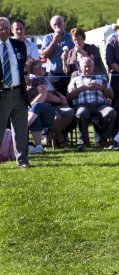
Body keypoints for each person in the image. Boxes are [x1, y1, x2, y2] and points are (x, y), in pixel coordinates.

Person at [67, 57, 117, 148]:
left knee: (111, 112)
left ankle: (103, 139)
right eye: (85, 66)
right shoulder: (75, 79)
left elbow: (111, 95)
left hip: (101, 105)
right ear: (80, 67)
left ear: (93, 67)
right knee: (80, 113)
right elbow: (69, 96)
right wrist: (82, 88)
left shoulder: (101, 78)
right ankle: (85, 140)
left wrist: (101, 88)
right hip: (83, 105)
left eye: (90, 66)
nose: (87, 69)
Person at [0, 17, 29, 167]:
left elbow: (22, 66)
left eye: (5, 28)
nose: (3, 31)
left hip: (19, 92)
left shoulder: (19, 45)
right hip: (2, 94)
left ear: (9, 29)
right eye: (0, 29)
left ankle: (22, 160)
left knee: (21, 130)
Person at [26, 59, 74, 149]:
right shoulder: (35, 80)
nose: (43, 68)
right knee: (56, 117)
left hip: (56, 105)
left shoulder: (44, 78)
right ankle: (60, 140)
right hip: (46, 106)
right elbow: (46, 95)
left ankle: (52, 135)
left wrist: (62, 98)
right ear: (34, 70)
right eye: (41, 67)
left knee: (70, 112)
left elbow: (52, 91)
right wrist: (60, 100)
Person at [40, 15, 74, 96]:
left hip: (68, 74)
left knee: (69, 99)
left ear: (63, 24)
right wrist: (54, 42)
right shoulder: (48, 38)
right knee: (54, 99)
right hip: (53, 75)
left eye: (59, 23)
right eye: (55, 24)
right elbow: (44, 56)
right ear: (52, 26)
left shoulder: (71, 37)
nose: (57, 26)